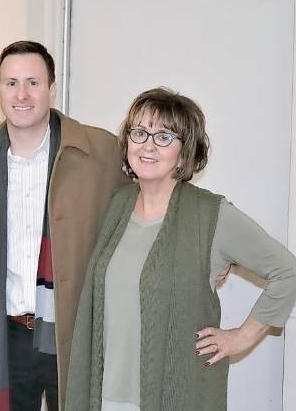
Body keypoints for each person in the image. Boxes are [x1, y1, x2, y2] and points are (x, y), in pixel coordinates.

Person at [65, 87, 296, 411]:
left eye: (164, 137)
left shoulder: (211, 216)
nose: (148, 145)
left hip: (174, 395)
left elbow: (288, 272)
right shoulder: (118, 206)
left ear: (185, 151)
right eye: (140, 132)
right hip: (105, 396)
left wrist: (240, 338)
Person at [0, 41, 129, 411]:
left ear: (52, 88)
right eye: (11, 83)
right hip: (6, 335)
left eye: (33, 82)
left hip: (71, 331)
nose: (22, 94)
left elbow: (146, 203)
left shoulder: (100, 151)